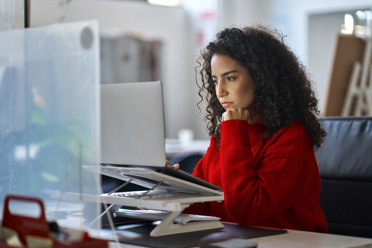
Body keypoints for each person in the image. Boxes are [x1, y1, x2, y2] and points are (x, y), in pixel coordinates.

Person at [182, 25, 328, 233]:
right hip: (234, 240)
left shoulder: (292, 137)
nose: (220, 91)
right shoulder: (225, 135)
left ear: (261, 79)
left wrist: (233, 131)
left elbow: (247, 209)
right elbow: (202, 207)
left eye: (230, 78)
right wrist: (171, 187)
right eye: (215, 81)